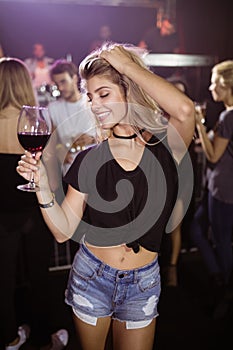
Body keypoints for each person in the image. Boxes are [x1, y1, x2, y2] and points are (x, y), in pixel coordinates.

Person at [17, 43, 195, 350]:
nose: (94, 104)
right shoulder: (89, 159)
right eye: (90, 96)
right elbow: (62, 232)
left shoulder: (165, 149)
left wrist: (127, 67)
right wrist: (43, 186)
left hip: (143, 282)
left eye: (104, 94)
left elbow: (184, 110)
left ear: (130, 91)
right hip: (91, 278)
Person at [0, 57, 68, 350]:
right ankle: (43, 337)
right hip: (34, 210)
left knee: (3, 277)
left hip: (2, 214)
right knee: (39, 274)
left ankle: (9, 337)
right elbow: (51, 178)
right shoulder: (38, 122)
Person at [192, 60, 233, 316]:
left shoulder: (228, 115)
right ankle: (220, 278)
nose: (210, 86)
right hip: (224, 187)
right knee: (197, 226)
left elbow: (215, 156)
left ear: (227, 84)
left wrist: (198, 123)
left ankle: (225, 290)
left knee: (221, 240)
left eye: (214, 81)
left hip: (223, 188)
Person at [47, 59, 96, 178]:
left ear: (74, 78)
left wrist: (94, 139)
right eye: (57, 83)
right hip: (70, 169)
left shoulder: (92, 102)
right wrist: (59, 151)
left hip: (95, 164)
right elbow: (51, 144)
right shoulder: (53, 109)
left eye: (63, 82)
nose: (60, 88)